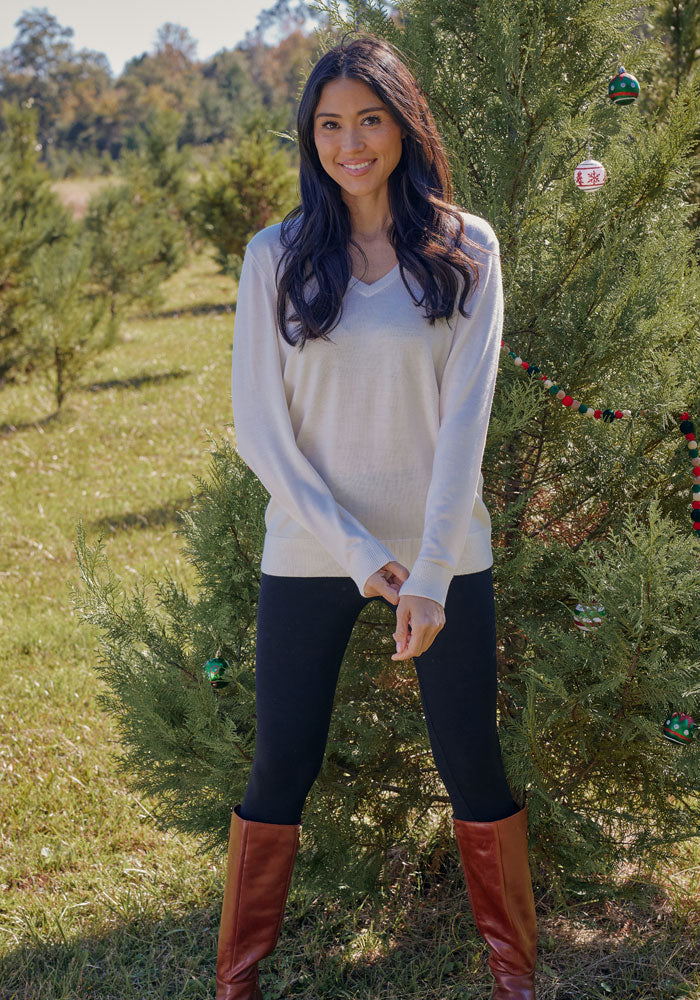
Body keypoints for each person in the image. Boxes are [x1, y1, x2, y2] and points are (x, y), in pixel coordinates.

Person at [216, 32, 538, 1000]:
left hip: (442, 550)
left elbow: (465, 424)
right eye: (329, 124)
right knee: (282, 763)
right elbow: (260, 432)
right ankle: (236, 975)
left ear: (404, 126)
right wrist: (360, 553)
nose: (349, 143)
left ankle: (514, 973)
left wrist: (430, 572)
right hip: (312, 548)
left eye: (369, 120)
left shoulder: (466, 247)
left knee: (471, 761)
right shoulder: (273, 255)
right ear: (308, 135)